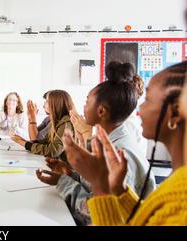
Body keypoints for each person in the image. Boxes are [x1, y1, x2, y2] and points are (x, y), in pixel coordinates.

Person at [63, 62, 187, 225]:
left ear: (176, 113)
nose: (139, 108)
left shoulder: (180, 203)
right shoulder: (176, 181)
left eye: (148, 100)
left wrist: (100, 187)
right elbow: (144, 219)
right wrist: (120, 190)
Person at [37, 71, 155, 225]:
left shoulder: (119, 154)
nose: (83, 107)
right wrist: (69, 174)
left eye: (87, 102)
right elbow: (93, 186)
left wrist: (62, 182)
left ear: (101, 111)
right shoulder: (107, 139)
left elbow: (97, 214)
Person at [10, 90, 74, 160]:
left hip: (63, 168)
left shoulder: (66, 123)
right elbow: (36, 140)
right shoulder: (50, 119)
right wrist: (30, 118)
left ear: (55, 104)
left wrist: (21, 142)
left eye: (46, 101)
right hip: (53, 163)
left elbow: (53, 150)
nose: (43, 105)